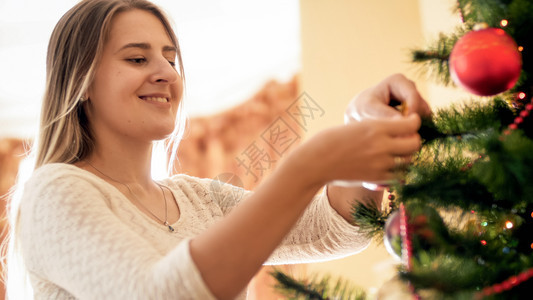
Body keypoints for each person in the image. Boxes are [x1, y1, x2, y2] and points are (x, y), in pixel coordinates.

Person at [6, 0, 431, 299]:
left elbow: (335, 227)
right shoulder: (56, 192)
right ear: (80, 83)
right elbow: (160, 294)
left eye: (170, 59)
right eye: (137, 59)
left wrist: (364, 124)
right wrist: (306, 165)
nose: (165, 73)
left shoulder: (200, 198)